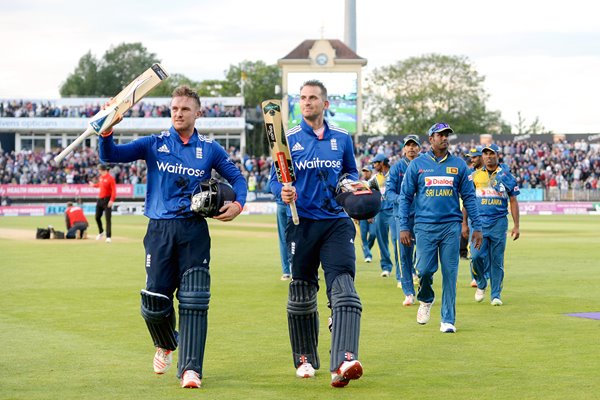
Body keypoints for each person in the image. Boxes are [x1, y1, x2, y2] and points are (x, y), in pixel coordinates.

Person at [98, 85, 247, 389]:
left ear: (198, 113)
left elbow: (237, 178)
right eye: (174, 108)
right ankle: (166, 343)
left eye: (185, 109)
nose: (178, 113)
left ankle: (191, 370)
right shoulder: (154, 143)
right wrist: (106, 130)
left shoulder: (210, 149)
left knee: (194, 300)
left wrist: (238, 204)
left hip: (194, 231)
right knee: (154, 301)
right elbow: (111, 155)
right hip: (159, 230)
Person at [268, 80, 363, 388]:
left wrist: (354, 187)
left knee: (344, 290)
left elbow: (350, 172)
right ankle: (305, 358)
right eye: (303, 98)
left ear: (325, 104)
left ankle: (345, 360)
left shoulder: (342, 137)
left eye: (313, 98)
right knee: (301, 295)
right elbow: (274, 180)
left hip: (336, 220)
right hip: (302, 222)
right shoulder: (290, 139)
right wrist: (281, 190)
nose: (307, 102)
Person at [399, 122, 482, 333]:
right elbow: (405, 198)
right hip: (424, 226)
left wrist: (477, 227)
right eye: (440, 135)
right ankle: (426, 298)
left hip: (450, 227)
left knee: (450, 273)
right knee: (425, 270)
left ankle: (447, 319)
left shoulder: (459, 165)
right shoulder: (417, 165)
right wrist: (403, 227)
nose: (444, 138)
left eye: (447, 135)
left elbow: (469, 198)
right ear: (430, 139)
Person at [469, 143, 520, 306]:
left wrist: (516, 225)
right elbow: (467, 200)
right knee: (476, 257)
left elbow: (513, 200)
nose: (489, 156)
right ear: (482, 156)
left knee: (497, 260)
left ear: (497, 155)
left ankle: (496, 294)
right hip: (478, 223)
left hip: (498, 222)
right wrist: (463, 223)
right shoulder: (474, 176)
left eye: (492, 154)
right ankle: (481, 283)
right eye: (486, 154)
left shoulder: (507, 176)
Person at [386, 134, 421, 305]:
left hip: (423, 215)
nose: (411, 148)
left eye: (415, 145)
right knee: (404, 254)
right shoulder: (396, 168)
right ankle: (408, 292)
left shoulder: (425, 165)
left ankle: (422, 283)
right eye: (408, 145)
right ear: (404, 148)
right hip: (402, 216)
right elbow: (389, 192)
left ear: (419, 148)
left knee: (424, 252)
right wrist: (403, 199)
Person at [371, 153, 397, 278]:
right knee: (382, 241)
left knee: (396, 240)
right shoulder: (375, 178)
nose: (374, 165)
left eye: (375, 163)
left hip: (393, 211)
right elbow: (370, 195)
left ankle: (403, 268)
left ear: (382, 163)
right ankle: (386, 267)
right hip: (379, 212)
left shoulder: (394, 174)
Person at [462, 146, 483, 287]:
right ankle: (475, 277)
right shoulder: (470, 174)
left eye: (475, 157)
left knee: (487, 252)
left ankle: (485, 275)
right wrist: (464, 222)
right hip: (473, 219)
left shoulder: (492, 173)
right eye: (471, 157)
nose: (472, 159)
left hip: (490, 217)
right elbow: (466, 199)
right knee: (474, 250)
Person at [91, 163, 116, 243]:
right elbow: (100, 185)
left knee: (107, 219)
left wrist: (111, 200)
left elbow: (114, 191)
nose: (98, 171)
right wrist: (93, 185)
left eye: (99, 169)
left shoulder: (110, 178)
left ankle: (108, 237)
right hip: (100, 199)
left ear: (102, 170)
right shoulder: (101, 177)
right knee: (97, 217)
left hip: (107, 199)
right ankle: (101, 232)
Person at [357, 165, 377, 263]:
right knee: (363, 236)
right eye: (364, 171)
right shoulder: (360, 184)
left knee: (373, 234)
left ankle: (366, 249)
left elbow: (375, 200)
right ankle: (367, 254)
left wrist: (371, 214)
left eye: (367, 171)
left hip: (372, 214)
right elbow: (358, 200)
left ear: (371, 172)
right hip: (362, 214)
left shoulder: (374, 183)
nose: (365, 173)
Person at [274, 190, 291, 280]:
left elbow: (268, 187)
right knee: (303, 237)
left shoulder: (276, 175)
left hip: (282, 204)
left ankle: (286, 272)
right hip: (297, 205)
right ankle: (306, 269)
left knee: (283, 239)